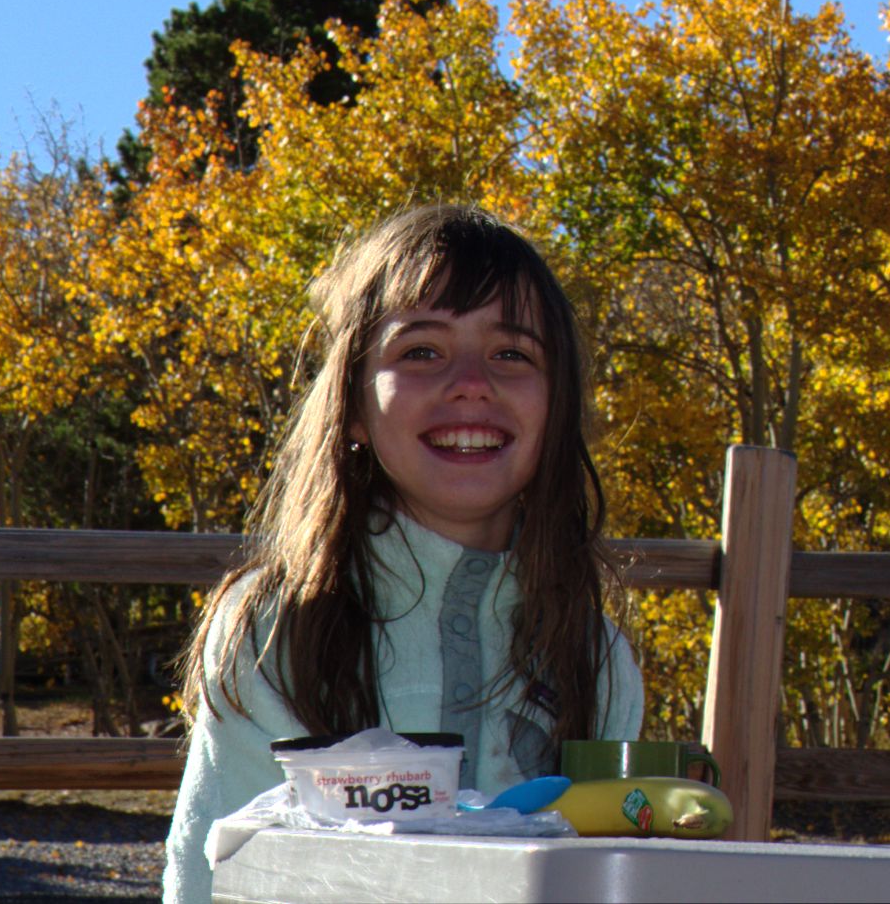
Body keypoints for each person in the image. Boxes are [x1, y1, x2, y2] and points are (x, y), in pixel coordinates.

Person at [163, 205, 644, 903]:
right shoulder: (273, 630)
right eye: (422, 350)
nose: (471, 381)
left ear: (558, 407)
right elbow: (210, 875)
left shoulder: (596, 655)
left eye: (512, 354)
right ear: (353, 405)